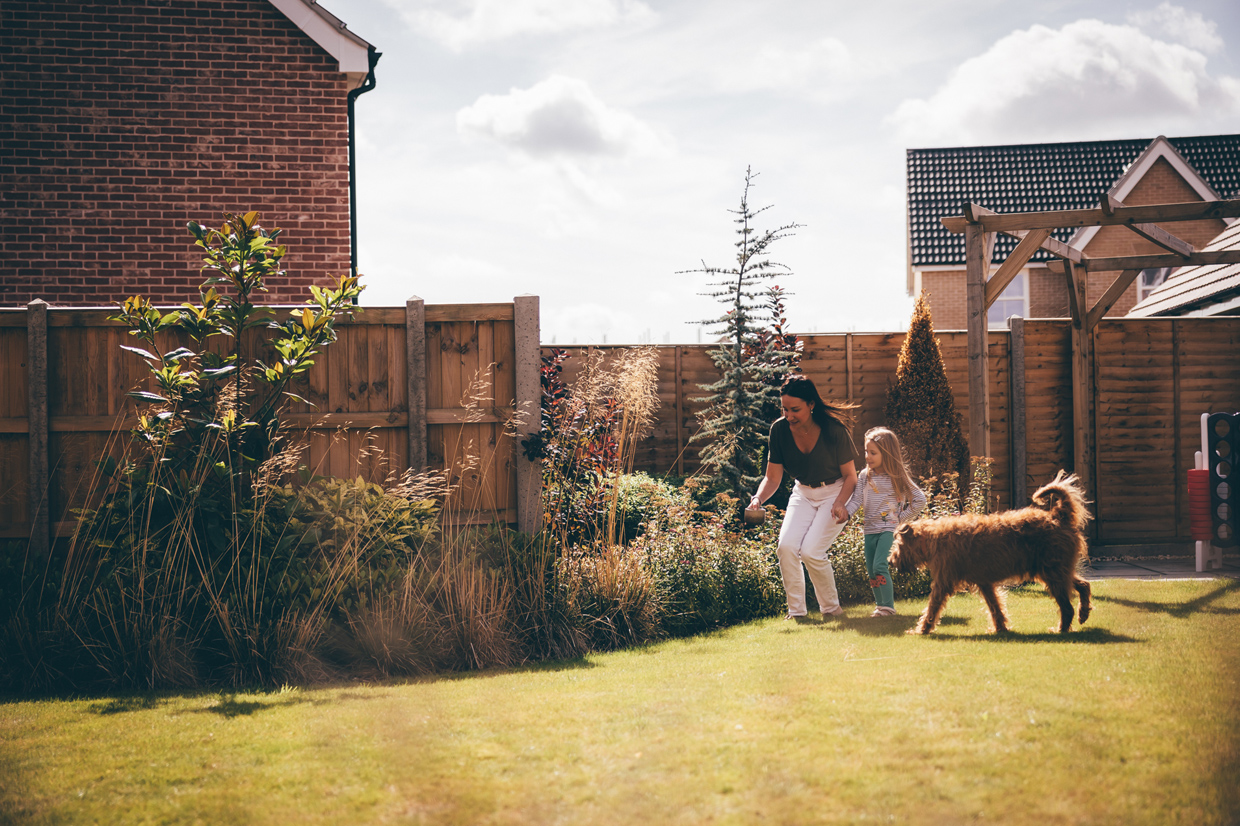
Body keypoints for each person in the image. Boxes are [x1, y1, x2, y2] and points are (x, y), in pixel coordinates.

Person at [749, 375, 858, 620]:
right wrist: (758, 498)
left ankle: (831, 609)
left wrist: (841, 502)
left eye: (795, 409)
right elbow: (773, 478)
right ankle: (797, 613)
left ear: (811, 404)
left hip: (834, 493)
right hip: (803, 493)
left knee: (811, 552)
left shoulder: (834, 430)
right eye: (785, 409)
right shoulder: (778, 430)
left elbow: (851, 477)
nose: (789, 415)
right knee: (786, 547)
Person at [842, 427, 926, 617]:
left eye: (873, 453)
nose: (868, 457)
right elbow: (856, 500)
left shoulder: (897, 476)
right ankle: (880, 607)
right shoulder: (865, 475)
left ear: (886, 454)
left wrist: (899, 520)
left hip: (888, 530)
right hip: (870, 530)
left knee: (880, 565)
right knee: (871, 570)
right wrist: (845, 514)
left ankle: (888, 607)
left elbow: (920, 499)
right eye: (866, 452)